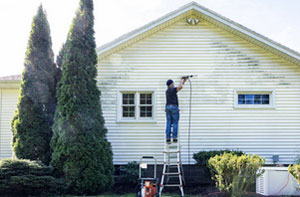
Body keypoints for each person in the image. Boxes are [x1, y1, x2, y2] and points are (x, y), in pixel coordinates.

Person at [165, 77, 186, 143]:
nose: (174, 84)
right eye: (173, 83)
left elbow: (179, 86)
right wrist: (182, 80)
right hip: (174, 107)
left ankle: (168, 138)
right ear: (171, 84)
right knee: (175, 122)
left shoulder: (167, 91)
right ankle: (174, 138)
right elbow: (180, 87)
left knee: (168, 122)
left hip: (168, 107)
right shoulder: (172, 90)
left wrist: (183, 81)